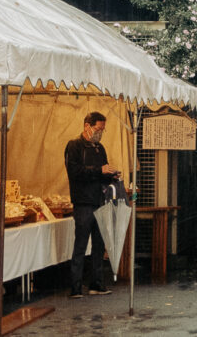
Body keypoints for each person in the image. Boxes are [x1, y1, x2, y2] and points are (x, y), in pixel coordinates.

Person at [64, 112, 119, 298]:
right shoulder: (74, 146)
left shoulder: (100, 148)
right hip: (83, 202)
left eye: (103, 130)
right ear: (87, 126)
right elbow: (74, 172)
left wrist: (112, 174)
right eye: (98, 129)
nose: (100, 133)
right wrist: (99, 170)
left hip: (99, 200)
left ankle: (97, 284)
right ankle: (75, 287)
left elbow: (102, 172)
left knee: (98, 244)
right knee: (80, 245)